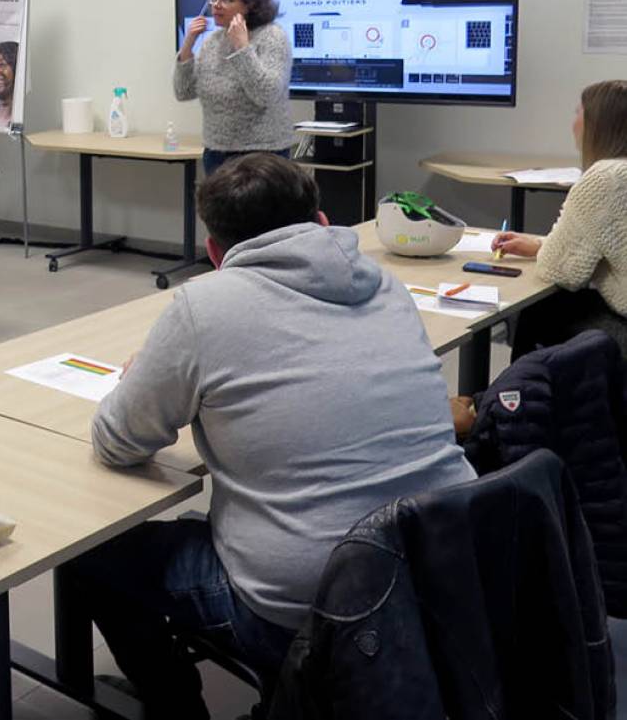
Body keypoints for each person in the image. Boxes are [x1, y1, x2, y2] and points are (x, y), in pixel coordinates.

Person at [79, 153, 475, 718]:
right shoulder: (385, 286)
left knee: (96, 553)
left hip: (307, 612)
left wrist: (143, 379)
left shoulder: (203, 306)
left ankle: (177, 710)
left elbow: (118, 441)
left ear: (216, 254)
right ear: (318, 221)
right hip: (440, 579)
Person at [493, 79, 627, 360]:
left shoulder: (605, 177)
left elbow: (560, 272)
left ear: (597, 125)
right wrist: (540, 245)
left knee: (539, 309)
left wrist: (547, 252)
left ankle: (521, 398)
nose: (574, 122)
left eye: (578, 113)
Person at [174, 0, 294, 176]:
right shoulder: (212, 41)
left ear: (250, 6)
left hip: (262, 155)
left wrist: (242, 47)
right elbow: (183, 92)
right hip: (216, 153)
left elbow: (265, 94)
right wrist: (188, 44)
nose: (216, 5)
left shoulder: (272, 36)